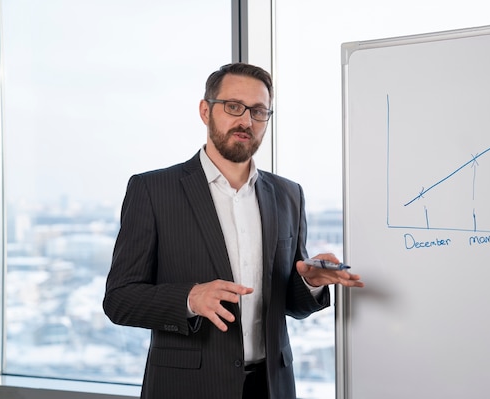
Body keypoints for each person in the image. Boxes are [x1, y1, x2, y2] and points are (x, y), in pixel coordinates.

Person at [102, 62, 364, 399]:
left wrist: (308, 282)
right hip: (187, 388)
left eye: (258, 111)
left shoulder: (288, 194)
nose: (246, 121)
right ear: (205, 110)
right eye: (233, 107)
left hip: (271, 385)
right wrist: (189, 298)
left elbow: (291, 306)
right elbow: (119, 299)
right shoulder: (153, 190)